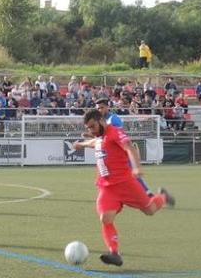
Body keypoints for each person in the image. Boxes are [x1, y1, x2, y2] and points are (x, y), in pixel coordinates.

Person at [73, 109, 174, 266]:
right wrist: (81, 144)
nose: (91, 131)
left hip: (126, 184)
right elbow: (94, 143)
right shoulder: (99, 137)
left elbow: (129, 148)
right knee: (105, 218)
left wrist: (136, 167)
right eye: (88, 128)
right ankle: (114, 253)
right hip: (107, 187)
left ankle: (163, 197)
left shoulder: (115, 132)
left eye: (92, 126)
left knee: (150, 210)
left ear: (101, 120)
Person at [95, 98, 153, 197]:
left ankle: (149, 195)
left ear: (107, 107)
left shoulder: (113, 118)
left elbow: (119, 134)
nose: (99, 110)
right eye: (98, 108)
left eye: (102, 108)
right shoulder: (101, 121)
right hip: (110, 154)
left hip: (121, 152)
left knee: (132, 174)